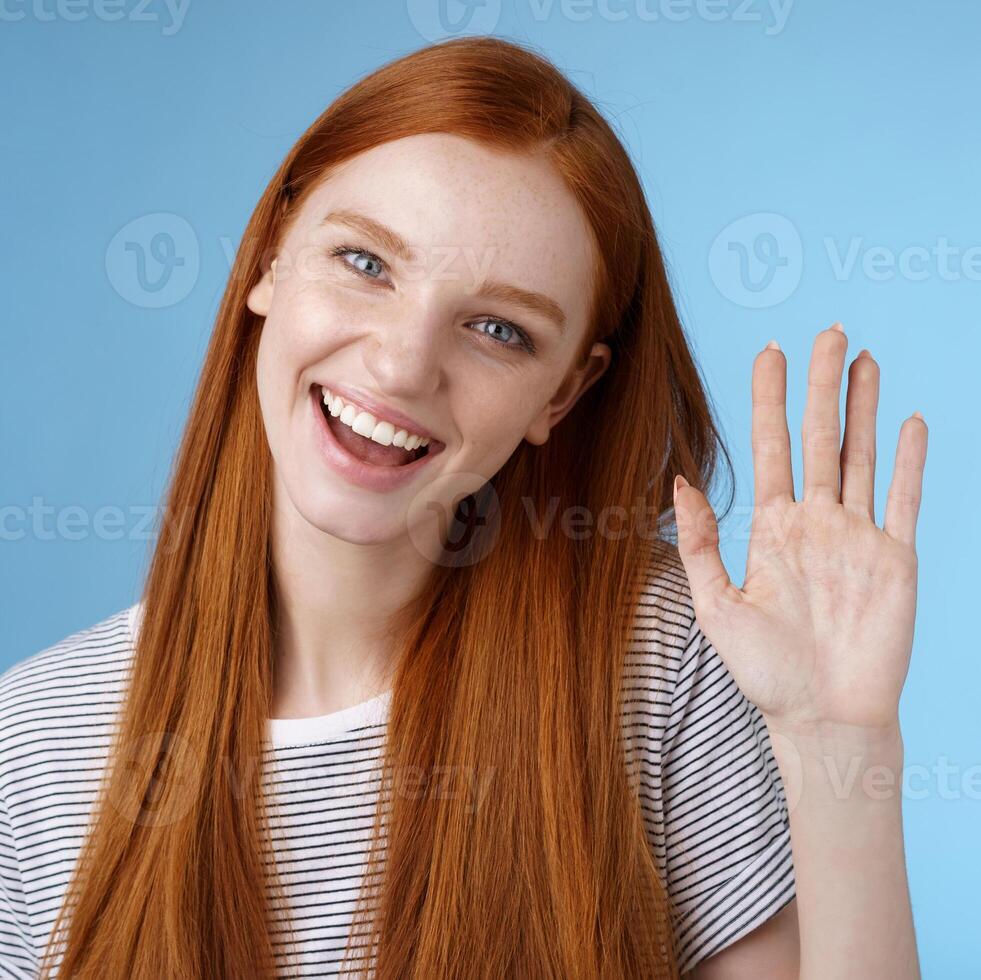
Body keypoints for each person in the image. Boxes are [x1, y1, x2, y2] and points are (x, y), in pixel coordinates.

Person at [0, 37, 925, 979]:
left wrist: (840, 746)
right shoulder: (35, 746)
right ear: (271, 260)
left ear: (560, 396)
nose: (402, 365)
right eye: (365, 262)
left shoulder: (659, 662)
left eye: (498, 330)